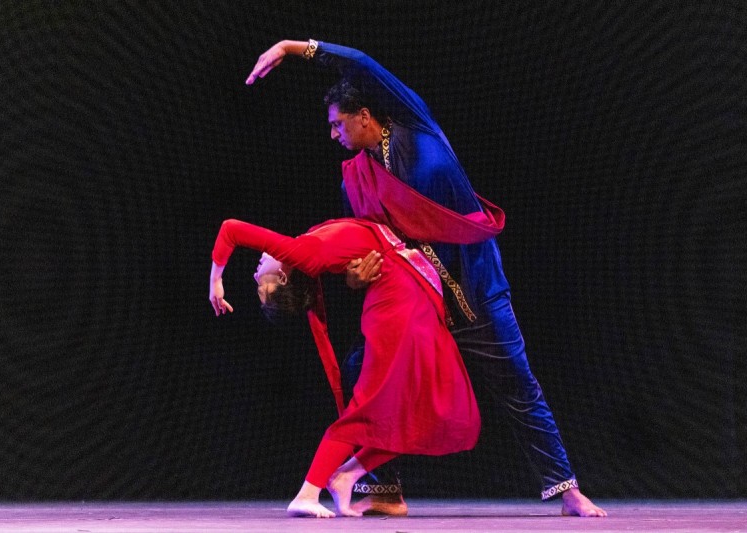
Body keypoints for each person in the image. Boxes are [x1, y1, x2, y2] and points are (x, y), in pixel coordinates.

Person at [245, 39, 607, 517]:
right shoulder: (355, 177)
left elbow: (362, 64)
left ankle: (568, 492)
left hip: (476, 290)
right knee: (363, 372)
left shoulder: (418, 127)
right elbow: (374, 245)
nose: (333, 134)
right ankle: (385, 492)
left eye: (337, 123)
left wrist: (294, 48)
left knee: (517, 384)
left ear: (366, 116)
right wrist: (356, 278)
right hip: (419, 302)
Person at [209, 192, 503, 516]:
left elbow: (232, 229)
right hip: (396, 308)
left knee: (433, 409)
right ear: (281, 277)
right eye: (261, 288)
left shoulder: (304, 249)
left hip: (408, 295)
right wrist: (215, 280)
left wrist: (216, 282)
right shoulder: (301, 252)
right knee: (370, 409)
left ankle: (347, 475)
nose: (254, 276)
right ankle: (308, 492)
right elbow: (232, 229)